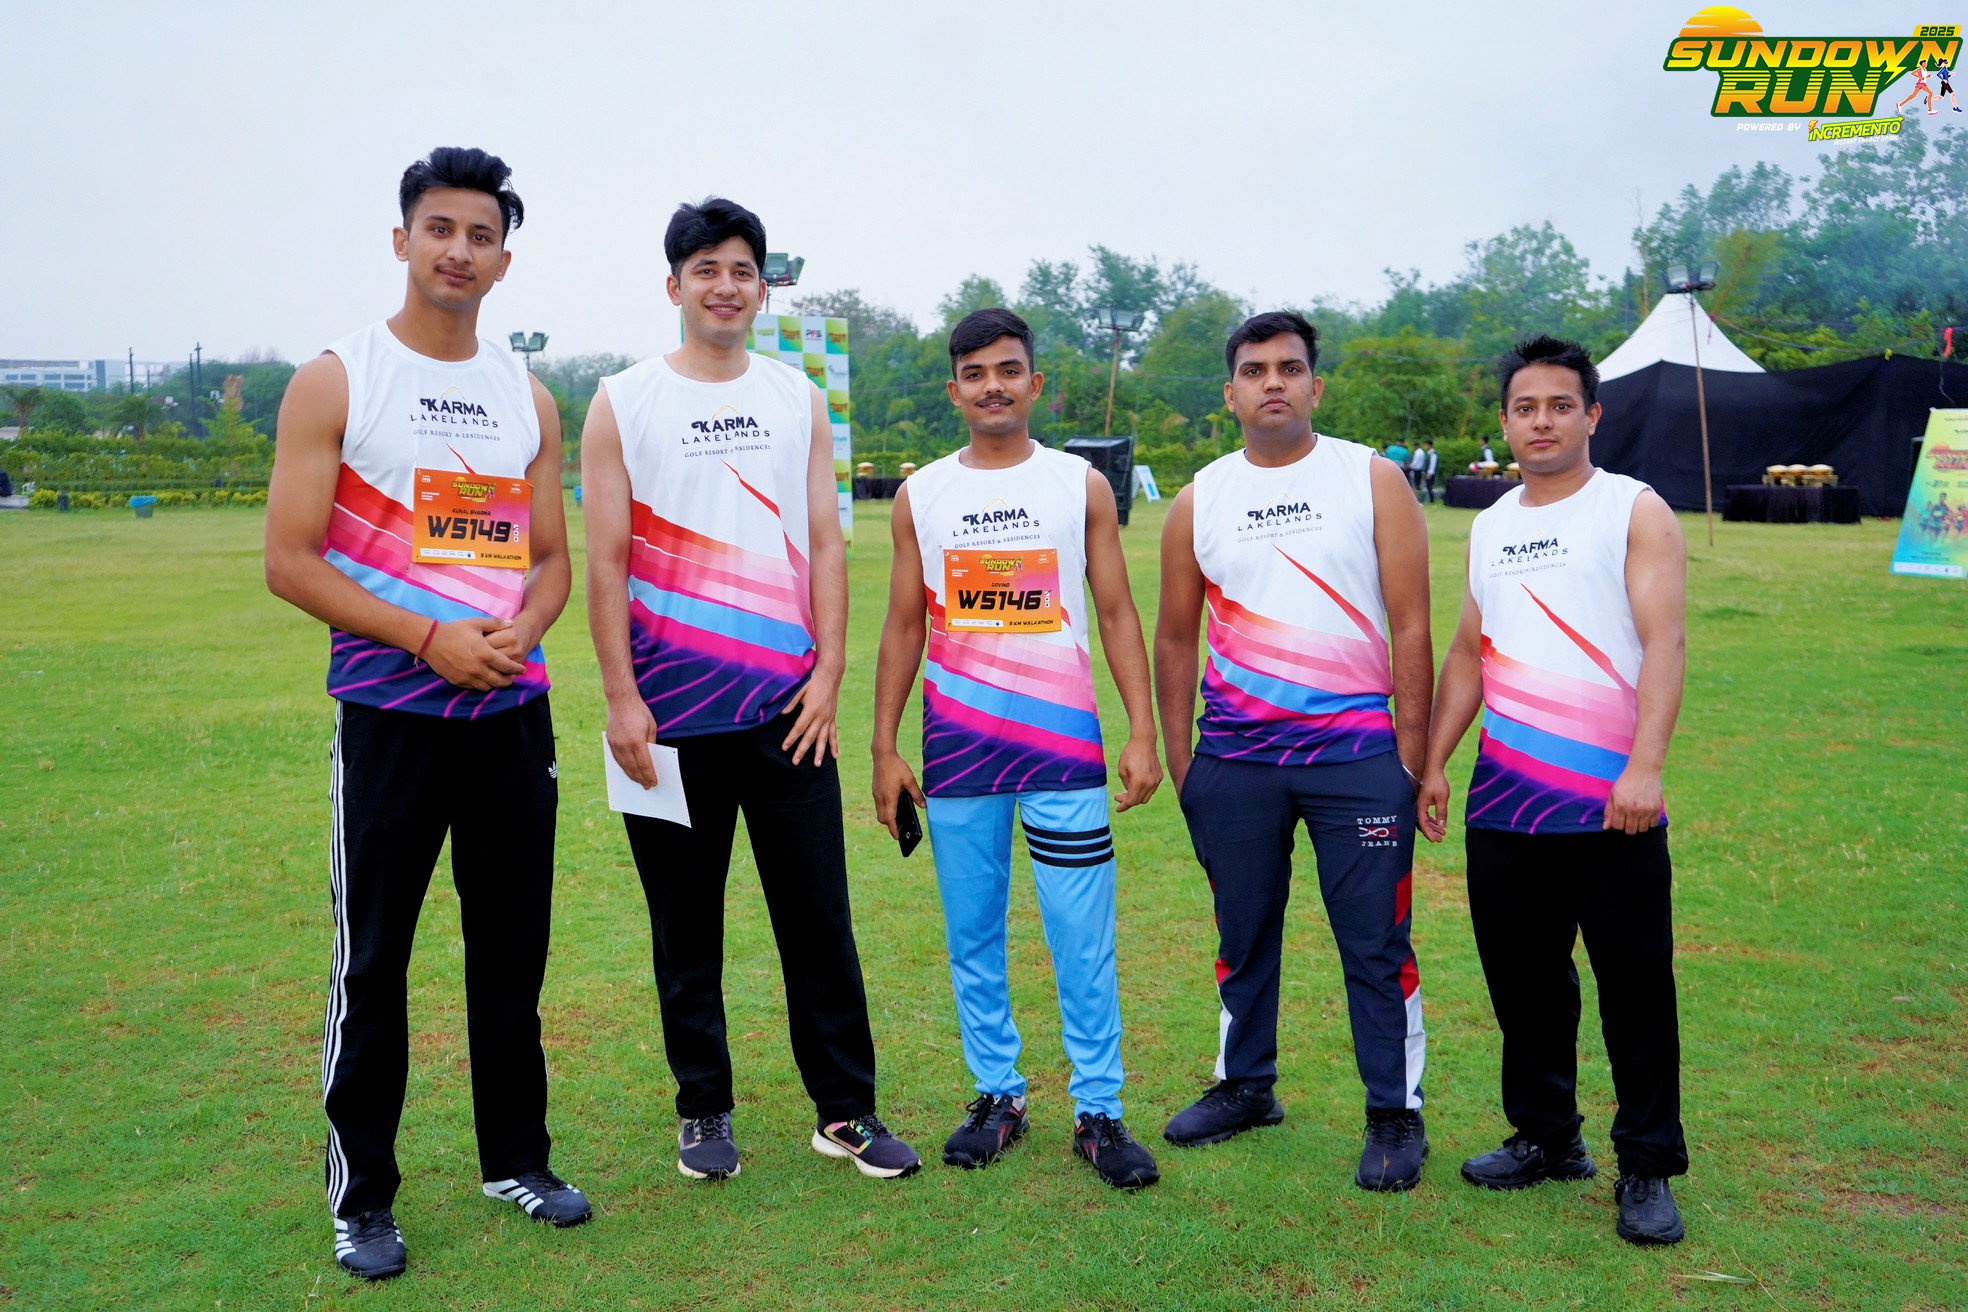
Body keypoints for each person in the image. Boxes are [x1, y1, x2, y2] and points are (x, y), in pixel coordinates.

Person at [265, 147, 588, 1281]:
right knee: (375, 964)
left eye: (481, 235)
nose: (459, 250)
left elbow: (549, 561)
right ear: (402, 239)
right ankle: (363, 1198)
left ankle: (517, 1160)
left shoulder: (527, 396)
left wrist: (520, 633)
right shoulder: (338, 379)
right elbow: (290, 561)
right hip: (390, 715)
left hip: (509, 717)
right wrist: (425, 637)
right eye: (439, 229)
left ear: (505, 259)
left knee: (511, 954)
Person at [581, 196, 919, 1186]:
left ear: (762, 289)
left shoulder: (794, 398)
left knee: (818, 921)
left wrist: (829, 674)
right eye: (706, 270)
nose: (725, 286)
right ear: (674, 285)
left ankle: (846, 1111)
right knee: (684, 930)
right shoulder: (621, 400)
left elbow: (825, 542)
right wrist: (622, 700)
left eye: (742, 271)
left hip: (788, 716)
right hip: (666, 722)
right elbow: (606, 563)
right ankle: (703, 1109)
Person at [871, 308, 1164, 1190]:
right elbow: (904, 623)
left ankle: (1099, 1111)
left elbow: (1116, 611)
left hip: (1062, 753)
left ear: (1035, 384)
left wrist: (1142, 730)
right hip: (960, 756)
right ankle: (997, 1096)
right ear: (954, 389)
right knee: (972, 934)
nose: (991, 385)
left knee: (1082, 937)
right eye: (974, 372)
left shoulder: (1079, 484)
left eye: (1007, 370)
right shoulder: (922, 495)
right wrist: (883, 746)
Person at [1417, 334, 1690, 1246]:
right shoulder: (1491, 523)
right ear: (1505, 421)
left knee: (1635, 990)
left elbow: (1665, 642)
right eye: (1526, 408)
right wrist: (1435, 760)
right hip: (1507, 803)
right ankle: (1546, 1137)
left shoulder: (1633, 510)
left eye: (1560, 406)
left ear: (1591, 415)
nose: (1543, 421)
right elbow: (1469, 652)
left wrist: (1644, 767)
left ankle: (1646, 1165)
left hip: (1614, 805)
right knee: (1525, 987)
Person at [1155, 311, 1433, 1191]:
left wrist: (1410, 758)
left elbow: (1413, 622)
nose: (1271, 382)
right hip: (1235, 765)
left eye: (1288, 367)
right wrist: (1183, 763)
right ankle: (1246, 1087)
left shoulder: (1371, 478)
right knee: (1242, 935)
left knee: (1376, 944)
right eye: (1254, 370)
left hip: (1356, 760)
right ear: (1230, 392)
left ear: (1316, 385)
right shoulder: (1199, 498)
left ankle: (1394, 1113)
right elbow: (1174, 636)